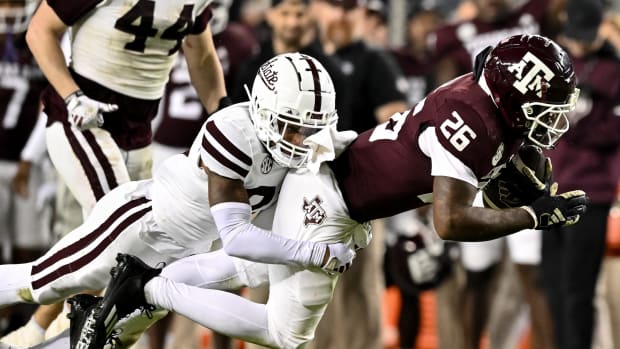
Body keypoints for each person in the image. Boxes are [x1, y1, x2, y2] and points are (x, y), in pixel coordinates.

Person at [83, 34, 588, 349]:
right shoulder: (475, 121)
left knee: (251, 266)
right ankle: (150, 291)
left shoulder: (482, 100)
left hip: (336, 179)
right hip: (330, 202)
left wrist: (519, 183)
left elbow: (490, 173)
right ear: (512, 93)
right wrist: (532, 215)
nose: (554, 122)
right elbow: (450, 221)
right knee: (284, 334)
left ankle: (141, 281)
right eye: (547, 107)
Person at [0, 52, 354, 348]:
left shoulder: (305, 140)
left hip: (184, 251)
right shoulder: (233, 132)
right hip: (140, 226)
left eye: (312, 129)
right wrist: (315, 253)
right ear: (261, 110)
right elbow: (237, 237)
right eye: (290, 126)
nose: (302, 140)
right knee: (43, 283)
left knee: (107, 340)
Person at [18, 0, 230, 345]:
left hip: (138, 131)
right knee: (125, 237)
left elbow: (201, 54)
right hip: (81, 119)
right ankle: (56, 333)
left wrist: (223, 117)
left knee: (114, 242)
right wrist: (73, 97)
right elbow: (40, 30)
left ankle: (37, 332)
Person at [541, 2, 620, 348]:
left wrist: (575, 126)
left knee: (578, 292)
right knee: (553, 286)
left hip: (591, 193)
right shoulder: (558, 66)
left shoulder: (614, 71)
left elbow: (614, 130)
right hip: (551, 190)